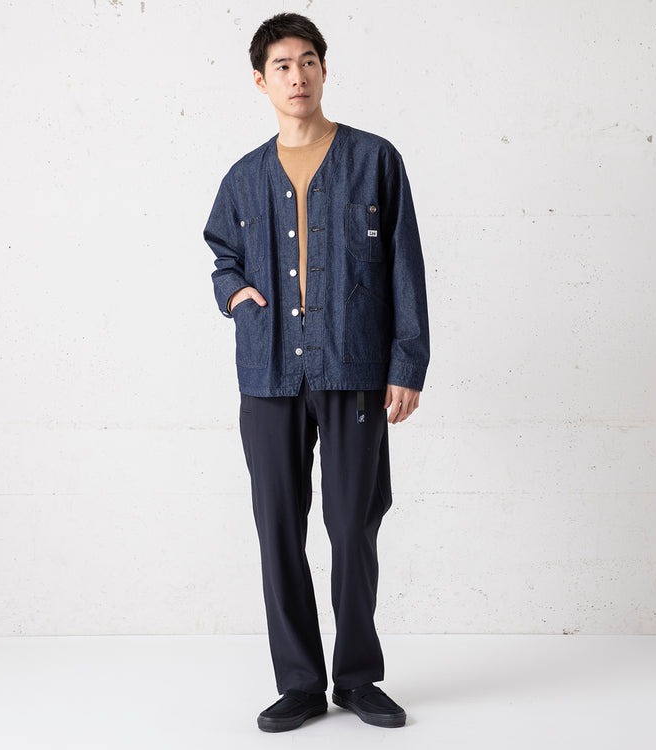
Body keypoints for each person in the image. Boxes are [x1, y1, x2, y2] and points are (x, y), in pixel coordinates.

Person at [203, 12, 430, 733]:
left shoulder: (375, 160)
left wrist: (407, 362)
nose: (296, 76)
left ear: (324, 70)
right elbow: (221, 253)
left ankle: (357, 678)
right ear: (260, 81)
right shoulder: (244, 177)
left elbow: (404, 266)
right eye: (281, 65)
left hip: (354, 364)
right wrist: (233, 294)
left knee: (352, 523)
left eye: (307, 61)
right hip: (268, 370)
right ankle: (300, 683)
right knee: (277, 528)